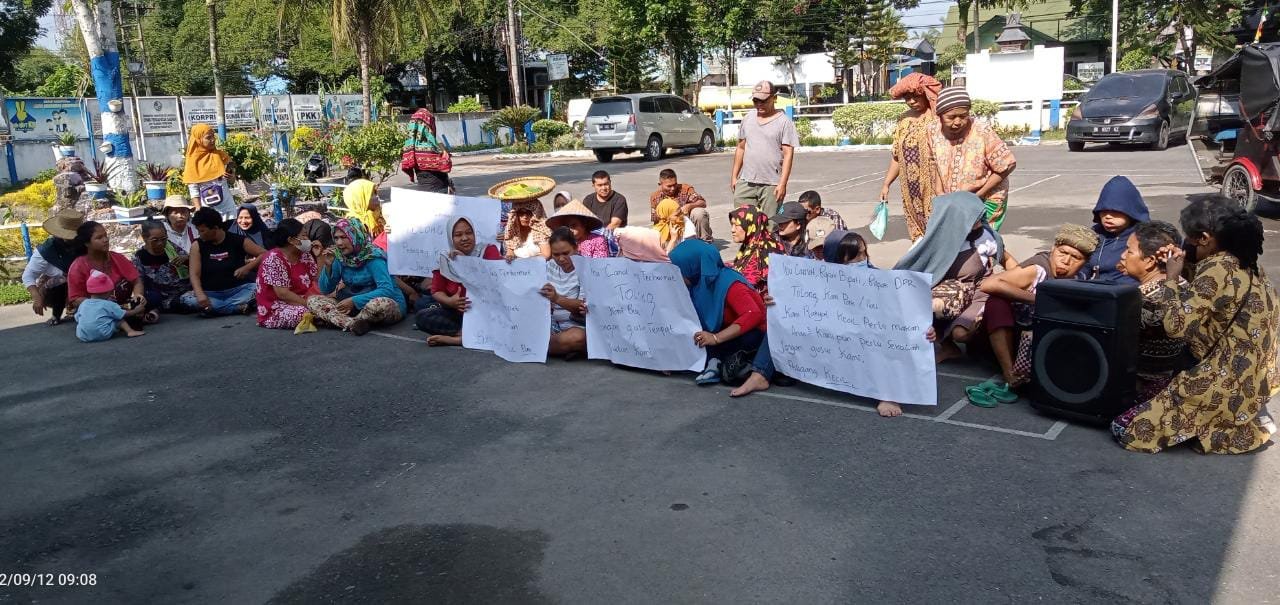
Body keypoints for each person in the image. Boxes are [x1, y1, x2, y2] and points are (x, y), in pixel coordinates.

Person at [1112, 196, 1278, 454]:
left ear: (1204, 238)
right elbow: (1209, 297)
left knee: (1125, 429)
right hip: (1256, 376)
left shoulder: (1217, 268)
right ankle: (1221, 421)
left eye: (1190, 238)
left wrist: (1171, 277)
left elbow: (1176, 326)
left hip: (1224, 377)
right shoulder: (1247, 262)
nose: (1185, 243)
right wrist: (1186, 261)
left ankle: (1229, 429)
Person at [966, 224, 1097, 406]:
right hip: (1001, 339)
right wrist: (1037, 299)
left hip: (1034, 344)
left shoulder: (1080, 279)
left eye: (1075, 257)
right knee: (997, 302)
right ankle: (1009, 373)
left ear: (1085, 261)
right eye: (1062, 253)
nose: (1066, 261)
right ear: (1053, 249)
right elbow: (990, 284)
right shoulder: (1038, 268)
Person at [894, 192, 1018, 360]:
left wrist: (1022, 281)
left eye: (980, 217)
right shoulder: (930, 241)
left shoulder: (985, 238)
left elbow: (1008, 260)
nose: (979, 222)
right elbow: (908, 268)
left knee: (961, 334)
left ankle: (982, 339)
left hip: (979, 292)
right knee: (921, 303)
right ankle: (946, 346)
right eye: (974, 218)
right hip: (945, 293)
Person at [669, 240, 773, 388]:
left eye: (678, 270)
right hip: (725, 335)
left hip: (752, 335)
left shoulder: (729, 283)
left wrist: (716, 338)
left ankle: (718, 361)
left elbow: (753, 315)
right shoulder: (697, 285)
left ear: (691, 266)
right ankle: (714, 360)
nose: (674, 276)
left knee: (710, 341)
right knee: (698, 337)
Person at [1116, 220, 1188, 401]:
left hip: (1146, 387)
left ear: (1149, 261)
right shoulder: (1183, 282)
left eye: (1129, 251)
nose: (1123, 255)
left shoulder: (1143, 301)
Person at [928, 87, 1016, 231]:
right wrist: (939, 192)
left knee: (983, 242)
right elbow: (935, 160)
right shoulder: (932, 131)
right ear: (940, 115)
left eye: (963, 116)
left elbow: (1008, 165)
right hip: (955, 201)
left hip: (986, 199)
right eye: (951, 117)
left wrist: (978, 195)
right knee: (957, 242)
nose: (957, 122)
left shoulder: (982, 131)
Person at [307, 218, 406, 335]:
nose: (339, 243)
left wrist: (354, 300)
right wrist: (328, 266)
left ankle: (344, 321)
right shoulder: (339, 257)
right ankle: (353, 324)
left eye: (344, 238)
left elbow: (386, 290)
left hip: (382, 303)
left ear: (355, 236)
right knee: (313, 300)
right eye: (336, 238)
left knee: (379, 305)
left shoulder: (373, 257)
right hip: (351, 305)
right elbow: (325, 290)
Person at [417, 216, 503, 346]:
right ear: (451, 238)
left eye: (469, 233)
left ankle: (461, 339)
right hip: (460, 314)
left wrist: (467, 264)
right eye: (458, 235)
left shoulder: (488, 251)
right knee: (422, 316)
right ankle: (464, 334)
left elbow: (494, 280)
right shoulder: (446, 259)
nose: (464, 238)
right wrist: (450, 302)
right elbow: (436, 290)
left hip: (488, 312)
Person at [881, 72, 943, 240]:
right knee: (917, 228)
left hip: (934, 184)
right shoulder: (904, 120)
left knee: (937, 225)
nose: (911, 102)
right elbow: (897, 156)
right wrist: (886, 184)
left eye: (915, 97)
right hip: (909, 187)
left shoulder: (937, 118)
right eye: (907, 98)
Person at [731, 80, 799, 218]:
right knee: (743, 222)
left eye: (763, 101)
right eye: (756, 101)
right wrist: (734, 177)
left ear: (774, 98)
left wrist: (782, 184)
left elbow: (788, 154)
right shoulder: (748, 118)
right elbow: (741, 148)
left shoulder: (784, 122)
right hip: (746, 181)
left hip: (771, 184)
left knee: (771, 224)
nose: (759, 104)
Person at [182, 207, 266, 316]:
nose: (200, 235)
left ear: (215, 228)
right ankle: (234, 308)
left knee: (260, 287)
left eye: (202, 231)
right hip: (209, 293)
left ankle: (215, 309)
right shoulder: (197, 245)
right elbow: (194, 274)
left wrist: (247, 267)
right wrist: (200, 295)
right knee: (186, 299)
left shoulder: (238, 240)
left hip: (238, 290)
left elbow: (266, 254)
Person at [66, 221, 147, 329]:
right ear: (87, 243)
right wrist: (105, 307)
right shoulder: (78, 266)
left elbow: (136, 280)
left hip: (121, 307)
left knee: (150, 298)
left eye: (106, 236)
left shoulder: (117, 258)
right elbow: (75, 299)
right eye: (99, 238)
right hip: (95, 311)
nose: (106, 240)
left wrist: (138, 296)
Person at [1081, 175, 1150, 283]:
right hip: (1096, 292)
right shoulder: (1094, 234)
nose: (1108, 216)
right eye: (1103, 211)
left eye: (1115, 211)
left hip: (1132, 295)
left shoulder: (1146, 237)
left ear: (1130, 211)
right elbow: (1083, 265)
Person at [255, 219, 319, 329]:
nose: (307, 240)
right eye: (304, 236)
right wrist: (311, 305)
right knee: (304, 313)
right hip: (277, 308)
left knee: (329, 304)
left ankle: (335, 319)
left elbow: (317, 279)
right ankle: (342, 321)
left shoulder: (304, 255)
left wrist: (319, 256)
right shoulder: (274, 258)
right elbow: (282, 294)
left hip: (304, 299)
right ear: (291, 240)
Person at [23, 208, 84, 325]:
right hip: (57, 287)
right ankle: (57, 315)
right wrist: (36, 297)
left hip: (83, 284)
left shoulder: (85, 243)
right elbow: (28, 275)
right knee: (60, 281)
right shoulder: (47, 249)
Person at [540, 227, 588, 359]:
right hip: (552, 324)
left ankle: (538, 347)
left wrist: (556, 298)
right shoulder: (549, 266)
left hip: (578, 326)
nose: (561, 259)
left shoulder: (586, 269)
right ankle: (558, 347)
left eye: (566, 253)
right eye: (556, 254)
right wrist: (511, 262)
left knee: (578, 338)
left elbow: (581, 307)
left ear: (576, 248)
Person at [133, 220, 198, 316]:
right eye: (155, 240)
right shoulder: (140, 257)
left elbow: (193, 262)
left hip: (186, 289)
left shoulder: (171, 247)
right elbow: (139, 281)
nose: (160, 243)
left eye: (163, 239)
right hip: (165, 297)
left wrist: (186, 258)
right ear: (145, 238)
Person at [182, 123, 237, 219]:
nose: (213, 140)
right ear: (198, 140)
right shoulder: (192, 161)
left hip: (228, 210)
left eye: (213, 136)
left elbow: (232, 181)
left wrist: (232, 177)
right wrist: (199, 211)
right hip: (208, 212)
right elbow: (193, 190)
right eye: (208, 137)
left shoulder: (221, 156)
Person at [75, 270, 145, 341]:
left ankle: (89, 331)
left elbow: (77, 318)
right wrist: (136, 310)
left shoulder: (84, 303)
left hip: (83, 335)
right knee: (118, 319)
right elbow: (123, 314)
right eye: (111, 292)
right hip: (103, 333)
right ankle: (130, 331)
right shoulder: (108, 304)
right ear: (106, 292)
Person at [729, 204, 784, 290]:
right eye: (731, 225)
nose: (732, 230)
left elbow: (748, 284)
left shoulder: (765, 250)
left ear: (750, 225)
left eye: (736, 225)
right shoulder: (751, 245)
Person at [650, 169, 712, 242]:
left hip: (688, 224)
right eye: (669, 186)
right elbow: (656, 220)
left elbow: (702, 203)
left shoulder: (685, 189)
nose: (672, 188)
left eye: (674, 184)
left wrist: (689, 206)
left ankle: (705, 243)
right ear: (660, 184)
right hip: (671, 228)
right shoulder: (655, 197)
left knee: (699, 212)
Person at [401, 108, 453, 193]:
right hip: (438, 192)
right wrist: (444, 151)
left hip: (423, 192)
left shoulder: (411, 149)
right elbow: (446, 166)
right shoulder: (431, 148)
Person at [341, 179, 388, 251]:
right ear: (360, 198)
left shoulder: (381, 215)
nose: (377, 197)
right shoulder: (352, 225)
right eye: (373, 194)